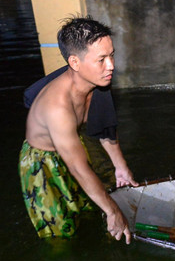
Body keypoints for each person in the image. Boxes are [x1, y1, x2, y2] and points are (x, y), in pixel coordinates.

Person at [18, 16, 138, 243]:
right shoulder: (57, 107)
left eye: (112, 55)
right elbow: (79, 167)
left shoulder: (98, 80)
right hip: (43, 161)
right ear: (74, 62)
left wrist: (120, 167)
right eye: (101, 59)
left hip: (75, 141)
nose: (111, 65)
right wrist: (114, 212)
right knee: (61, 233)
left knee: (94, 207)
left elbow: (105, 126)